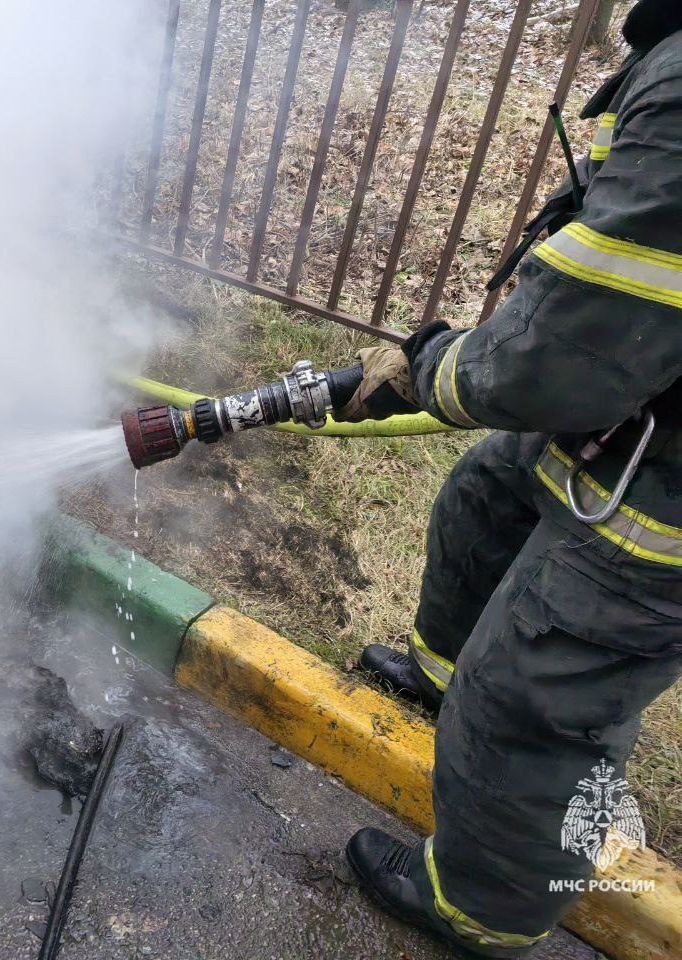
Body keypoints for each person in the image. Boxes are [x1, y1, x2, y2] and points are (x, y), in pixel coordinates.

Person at [332, 1, 682, 954]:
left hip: (665, 478)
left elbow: (579, 338)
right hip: (642, 403)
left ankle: (480, 907)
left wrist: (440, 368)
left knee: (547, 679)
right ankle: (446, 689)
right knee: (490, 493)